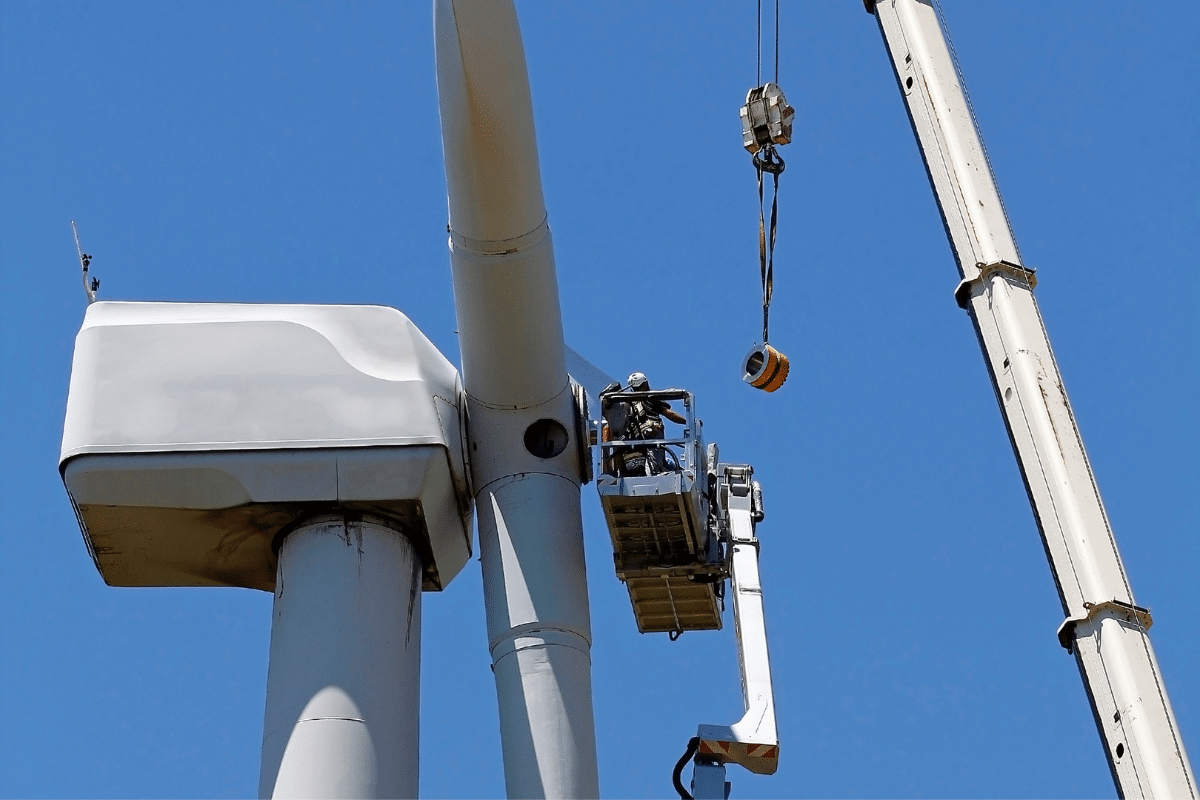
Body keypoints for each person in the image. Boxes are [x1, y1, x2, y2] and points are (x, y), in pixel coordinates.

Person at [604, 372, 686, 476]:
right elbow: (669, 414)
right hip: (651, 434)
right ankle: (656, 471)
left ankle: (620, 474)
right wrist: (686, 422)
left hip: (633, 445)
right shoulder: (651, 397)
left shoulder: (626, 403)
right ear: (645, 383)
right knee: (656, 470)